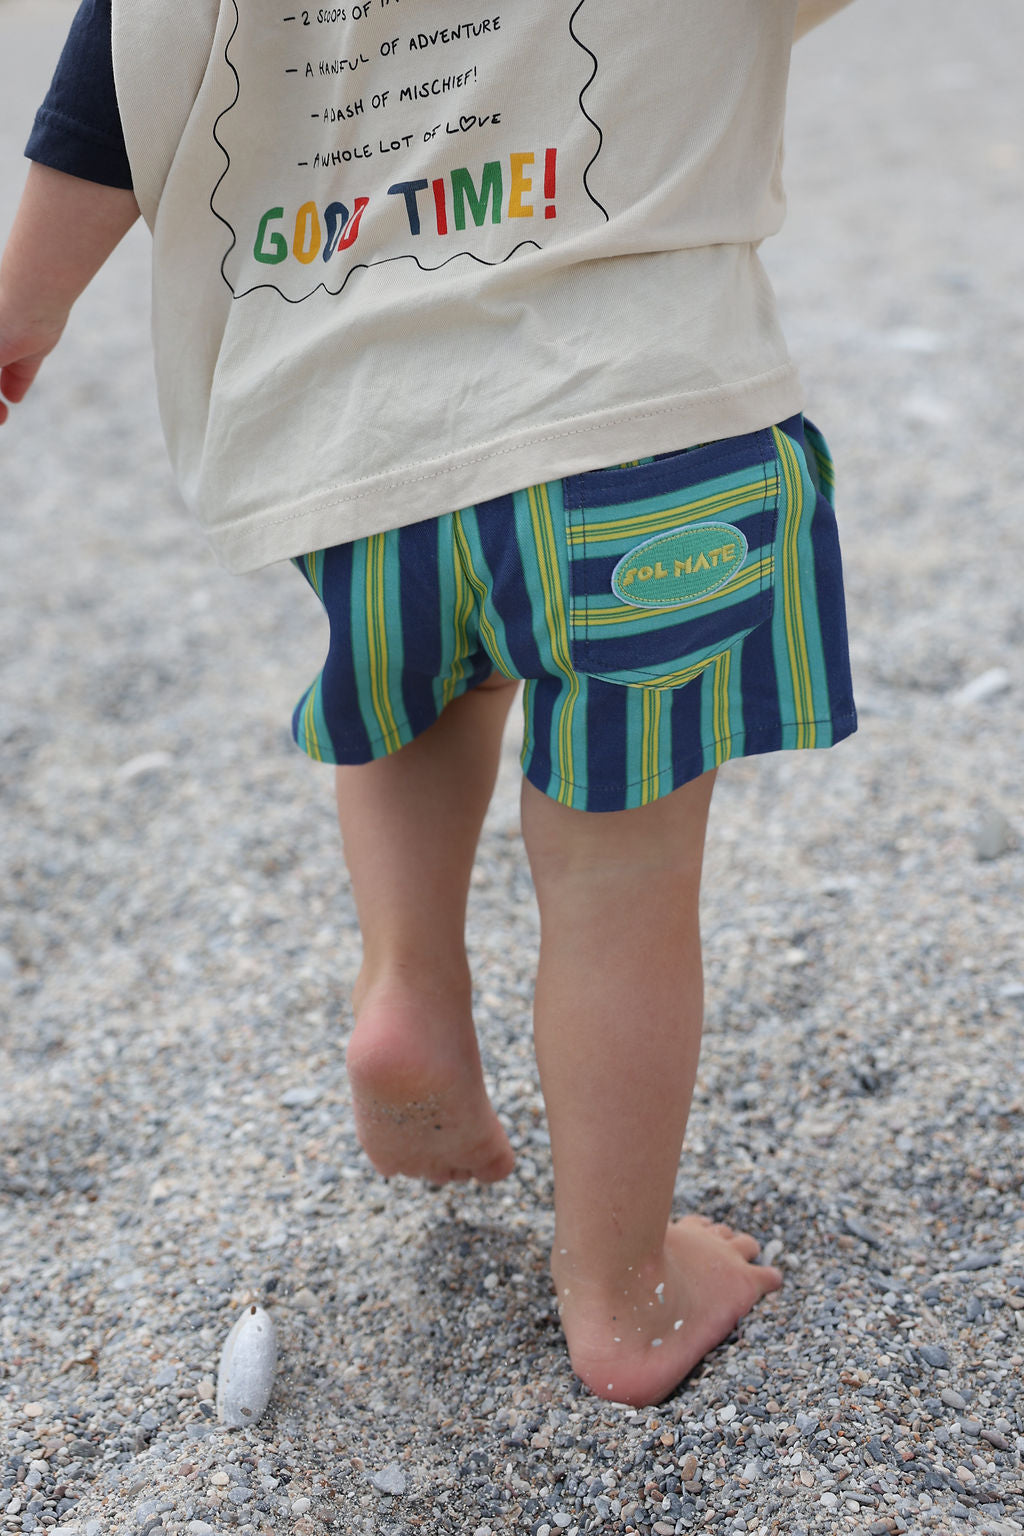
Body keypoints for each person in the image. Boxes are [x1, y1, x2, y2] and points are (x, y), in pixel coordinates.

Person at [0, 0, 857, 1406]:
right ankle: (625, 1295)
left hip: (359, 453)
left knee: (418, 694)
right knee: (620, 869)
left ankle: (407, 982)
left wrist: (25, 301)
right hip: (639, 429)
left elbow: (117, 80)